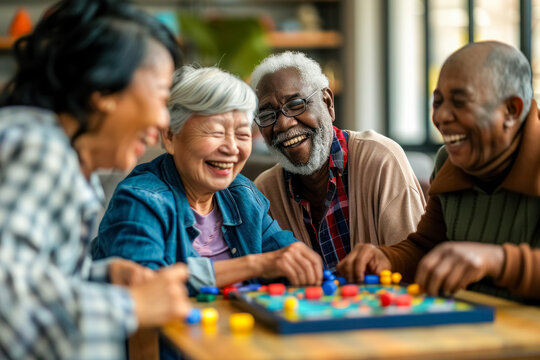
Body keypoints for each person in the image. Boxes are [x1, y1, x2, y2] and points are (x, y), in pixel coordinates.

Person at [0, 0, 192, 358]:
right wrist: (131, 305)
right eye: (162, 96)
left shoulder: (68, 163)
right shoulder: (39, 151)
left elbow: (34, 278)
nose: (165, 120)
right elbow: (7, 302)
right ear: (104, 90)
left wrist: (100, 276)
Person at [341, 41, 540, 302]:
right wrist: (386, 258)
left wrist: (497, 260)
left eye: (459, 102)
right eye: (438, 102)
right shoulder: (449, 161)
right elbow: (427, 248)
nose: (441, 117)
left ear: (510, 110)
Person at [93, 66, 323, 291]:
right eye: (216, 132)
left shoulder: (242, 195)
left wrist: (307, 265)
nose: (232, 148)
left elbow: (285, 257)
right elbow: (143, 287)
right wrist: (254, 265)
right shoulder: (140, 199)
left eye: (242, 134)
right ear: (171, 136)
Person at [251, 51, 426, 273]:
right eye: (268, 115)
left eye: (296, 104)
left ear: (327, 102)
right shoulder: (264, 191)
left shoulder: (381, 160)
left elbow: (412, 263)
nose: (283, 124)